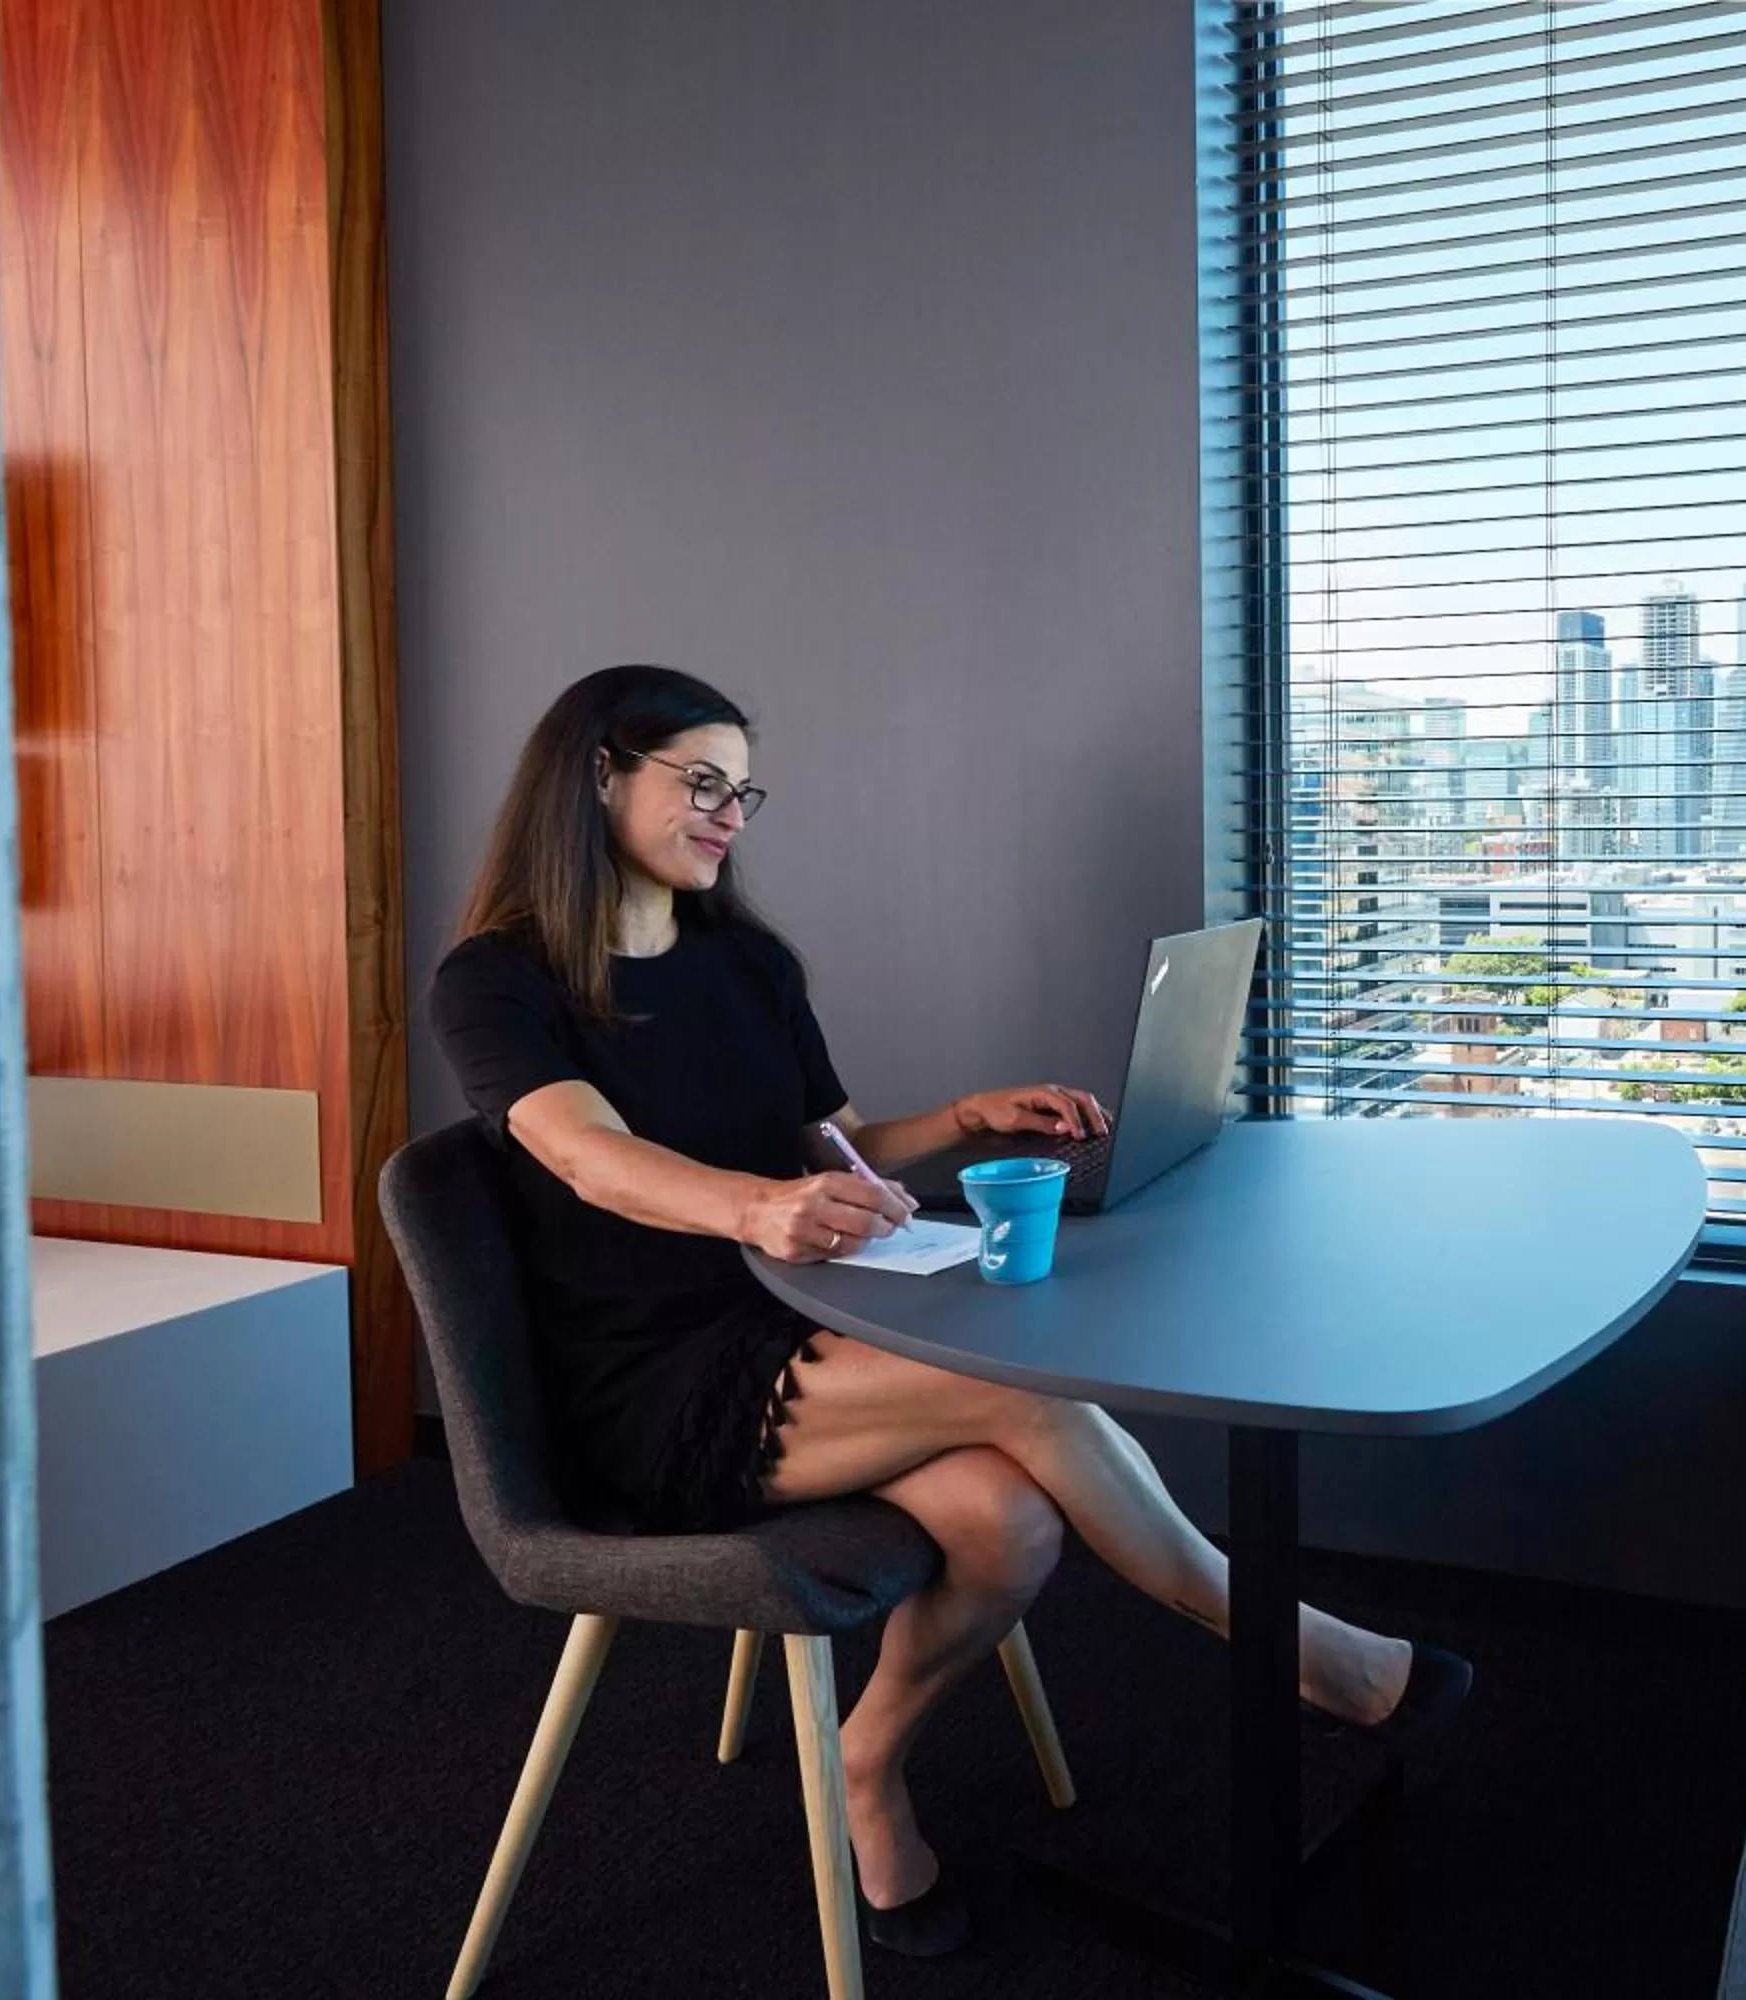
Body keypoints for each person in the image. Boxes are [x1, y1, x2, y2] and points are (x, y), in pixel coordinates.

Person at [426, 665, 1468, 1957]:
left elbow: (841, 1148)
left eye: (743, 790)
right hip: (649, 1388)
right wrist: (755, 1209)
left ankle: (868, 1765)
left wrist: (966, 1119)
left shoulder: (746, 963)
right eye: (702, 783)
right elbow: (585, 1152)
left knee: (1012, 1516)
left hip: (796, 1319)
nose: (729, 814)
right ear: (596, 775)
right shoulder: (497, 981)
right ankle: (1309, 1652)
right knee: (1021, 1390)